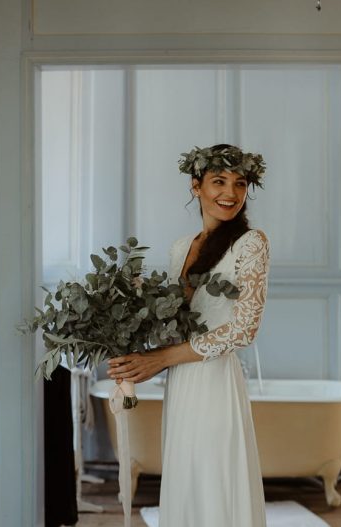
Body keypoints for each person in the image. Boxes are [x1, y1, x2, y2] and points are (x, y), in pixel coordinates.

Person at [108, 144, 270, 527]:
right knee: (186, 474)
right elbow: (173, 319)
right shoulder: (182, 247)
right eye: (218, 181)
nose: (230, 193)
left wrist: (160, 360)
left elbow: (244, 329)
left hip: (215, 380)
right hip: (181, 382)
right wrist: (126, 335)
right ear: (196, 186)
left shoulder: (251, 243)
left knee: (213, 476)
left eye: (240, 183)